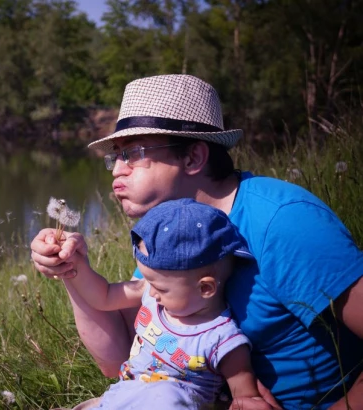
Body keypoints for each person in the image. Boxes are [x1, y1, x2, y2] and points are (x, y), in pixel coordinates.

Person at [31, 74, 363, 410]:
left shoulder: (282, 222)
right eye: (115, 156)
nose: (116, 169)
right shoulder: (171, 229)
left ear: (193, 158)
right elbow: (118, 360)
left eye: (132, 153)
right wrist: (72, 270)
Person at [64, 198, 271, 410]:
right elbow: (104, 295)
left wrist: (251, 403)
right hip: (124, 397)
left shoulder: (222, 341)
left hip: (172, 404)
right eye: (148, 282)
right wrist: (75, 265)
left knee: (166, 396)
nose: (151, 292)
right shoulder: (151, 294)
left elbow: (245, 396)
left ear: (205, 289)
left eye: (161, 288)